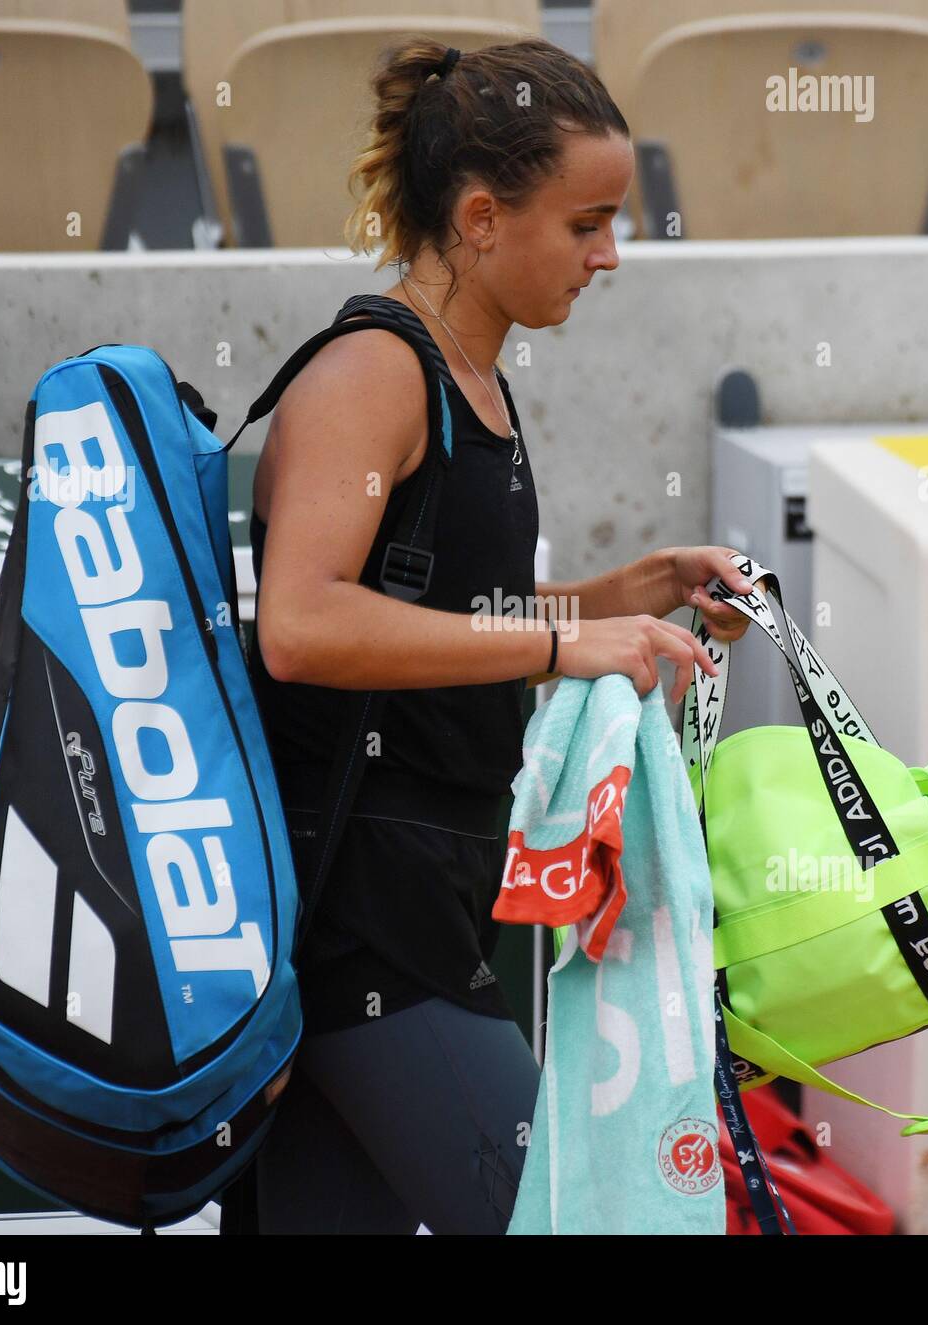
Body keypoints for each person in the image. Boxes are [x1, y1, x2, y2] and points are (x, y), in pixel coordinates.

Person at [236, 35, 755, 1235]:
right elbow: (304, 625)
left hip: (418, 909)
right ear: (478, 217)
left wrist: (633, 589)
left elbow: (457, 620)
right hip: (361, 926)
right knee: (572, 1217)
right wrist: (553, 647)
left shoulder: (473, 379)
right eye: (587, 223)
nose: (609, 254)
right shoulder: (373, 372)